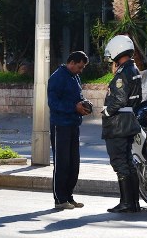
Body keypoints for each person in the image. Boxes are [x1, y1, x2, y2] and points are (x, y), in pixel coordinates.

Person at [101, 35, 142, 213]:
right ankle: (133, 202)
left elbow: (118, 98)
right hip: (129, 121)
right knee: (128, 162)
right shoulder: (133, 69)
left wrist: (107, 111)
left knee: (120, 163)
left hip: (118, 124)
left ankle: (127, 203)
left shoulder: (123, 73)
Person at [47, 51, 91, 210]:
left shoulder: (75, 77)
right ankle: (60, 199)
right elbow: (53, 104)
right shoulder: (57, 78)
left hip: (73, 124)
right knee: (62, 163)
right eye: (79, 66)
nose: (81, 70)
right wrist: (74, 107)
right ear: (71, 62)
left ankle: (69, 196)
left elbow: (77, 98)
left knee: (74, 163)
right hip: (61, 125)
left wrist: (84, 105)